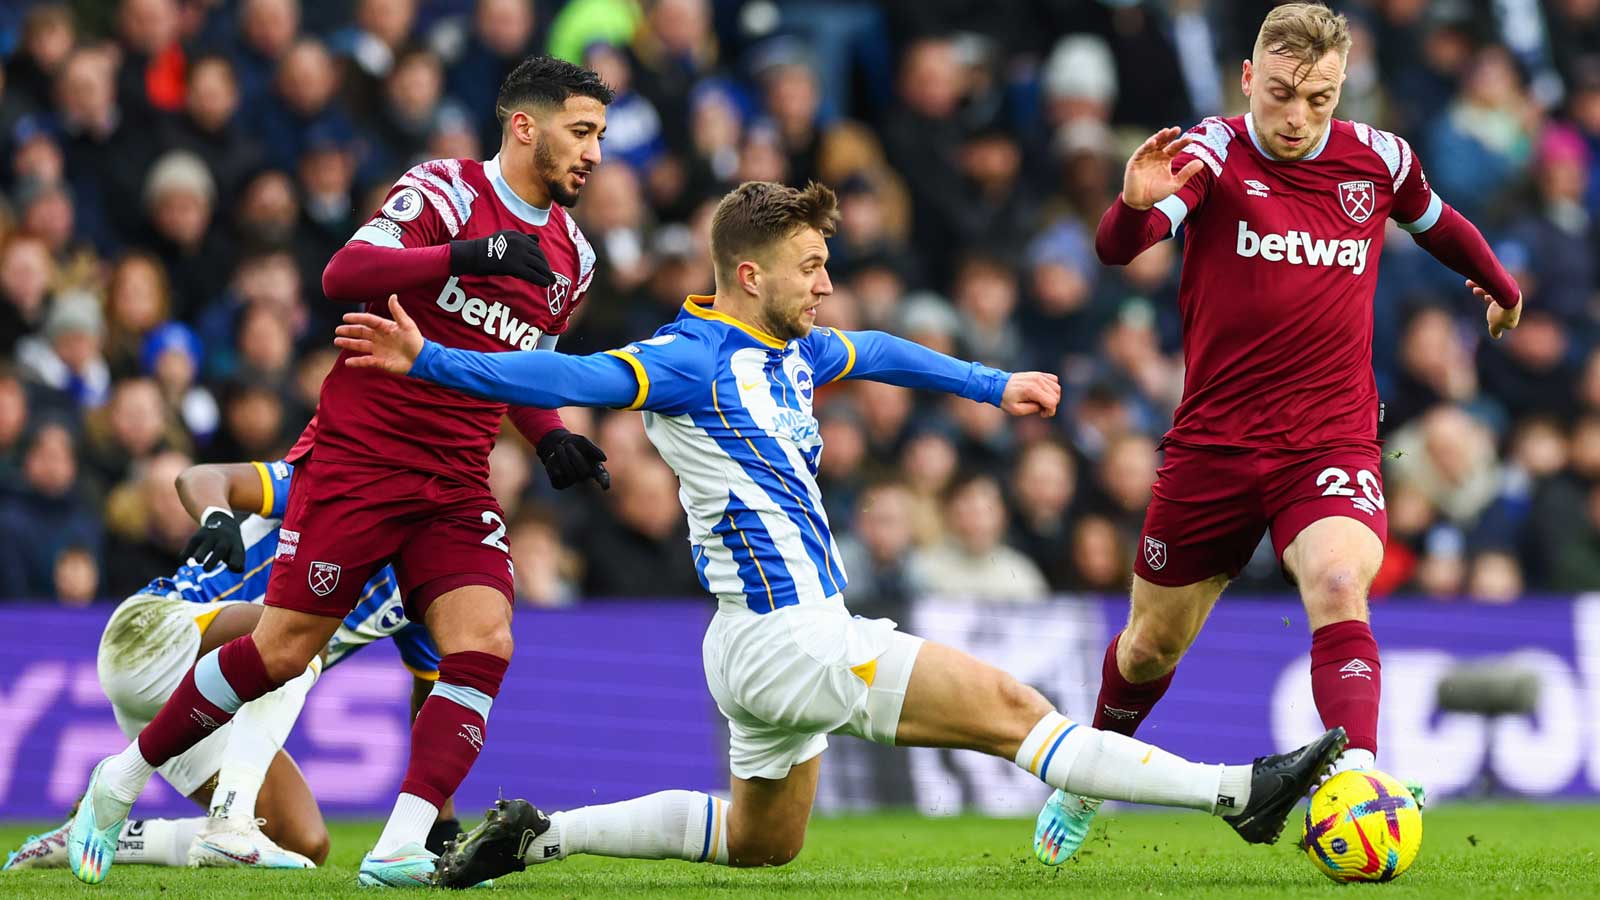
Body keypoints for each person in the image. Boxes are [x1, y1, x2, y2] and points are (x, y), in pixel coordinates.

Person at [333, 180, 1348, 886]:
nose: (824, 283)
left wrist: (995, 386)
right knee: (1014, 711)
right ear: (746, 274)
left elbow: (884, 350)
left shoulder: (791, 351)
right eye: (808, 266)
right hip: (791, 637)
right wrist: (431, 361)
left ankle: (540, 837)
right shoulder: (689, 359)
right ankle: (1237, 793)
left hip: (759, 643)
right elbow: (565, 376)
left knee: (760, 842)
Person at [65, 56, 615, 888]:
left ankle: (399, 843)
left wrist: (548, 436)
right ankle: (123, 776)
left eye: (602, 135)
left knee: (485, 642)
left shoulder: (572, 254)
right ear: (524, 126)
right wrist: (468, 254)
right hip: (360, 461)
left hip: (457, 481)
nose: (596, 153)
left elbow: (519, 364)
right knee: (283, 652)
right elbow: (342, 276)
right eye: (582, 132)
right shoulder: (442, 193)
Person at [1030, 2, 1523, 865]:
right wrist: (1128, 206)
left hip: (1327, 444)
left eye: (1321, 99)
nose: (1299, 117)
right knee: (1150, 647)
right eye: (1285, 94)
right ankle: (1085, 778)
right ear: (1250, 78)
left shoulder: (1380, 159)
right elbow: (1128, 244)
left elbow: (1439, 222)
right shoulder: (1213, 154)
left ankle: (1359, 779)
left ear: (1342, 90)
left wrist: (1499, 285)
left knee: (1338, 581)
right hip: (1214, 448)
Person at [5, 458, 444, 872]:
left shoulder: (425, 585)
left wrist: (438, 820)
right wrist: (217, 516)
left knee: (301, 841)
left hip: (199, 709)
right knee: (297, 637)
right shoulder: (333, 484)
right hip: (152, 635)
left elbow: (432, 707)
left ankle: (93, 834)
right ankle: (229, 819)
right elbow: (202, 476)